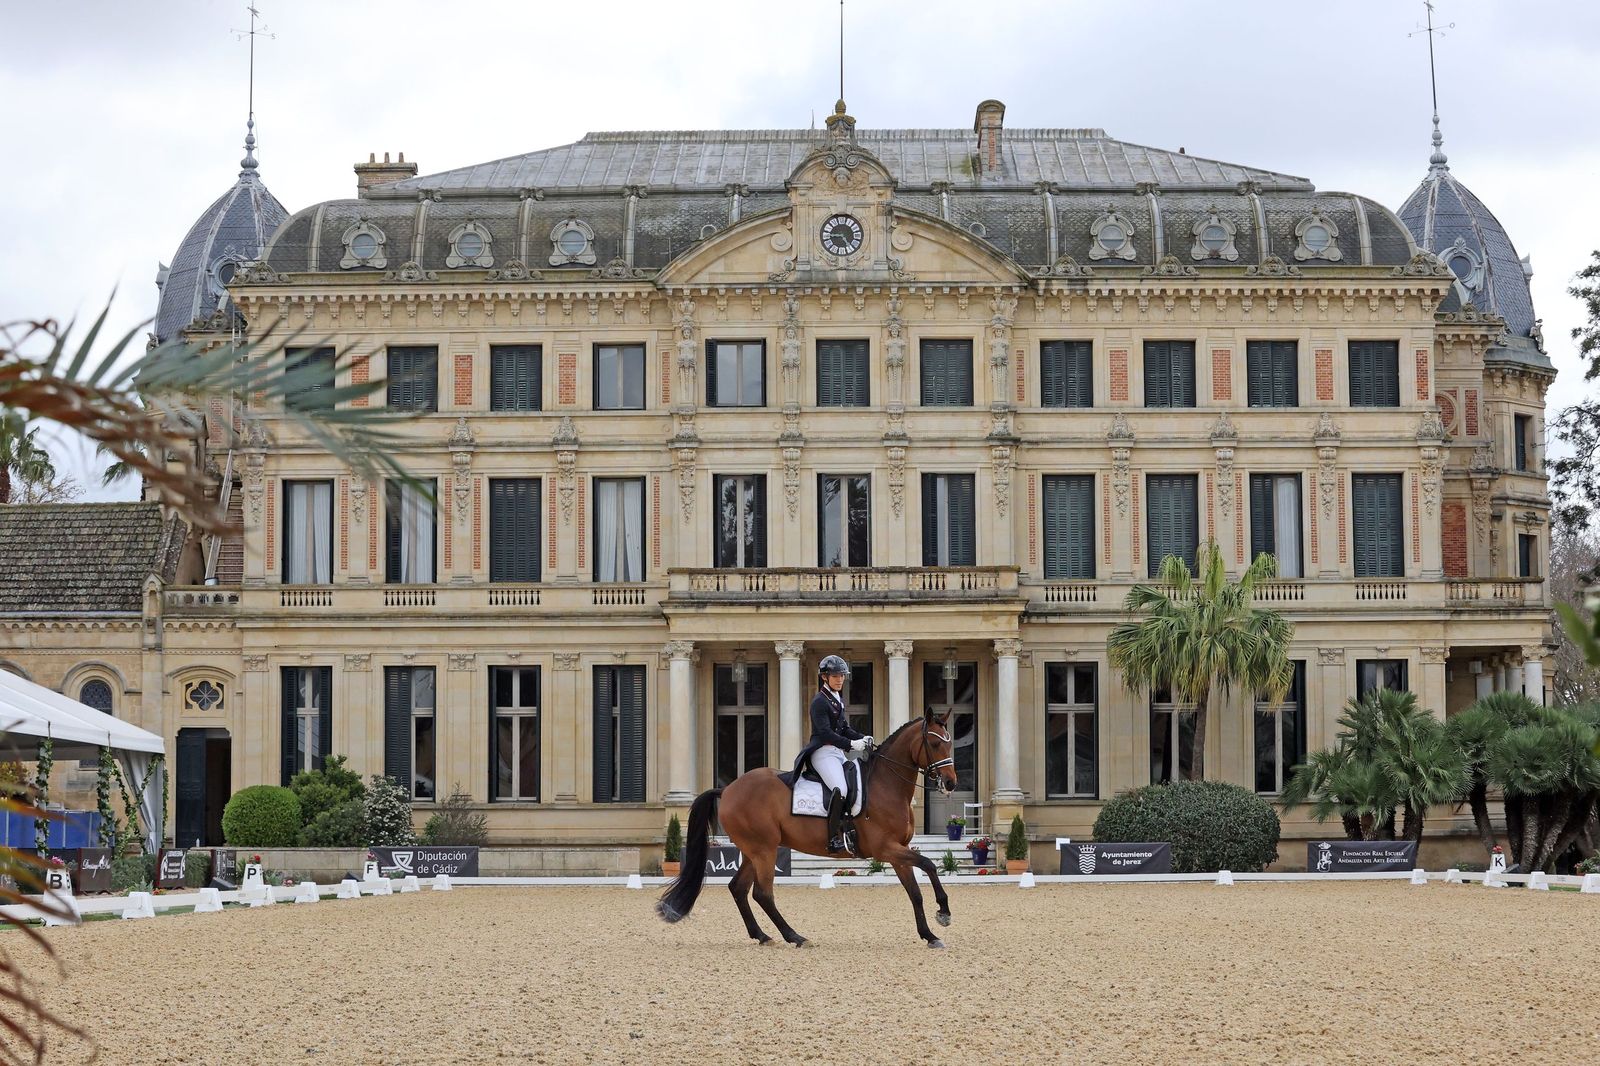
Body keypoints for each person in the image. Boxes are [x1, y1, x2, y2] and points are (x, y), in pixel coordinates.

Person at [799, 655, 873, 854]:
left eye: (842, 675)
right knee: (839, 788)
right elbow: (825, 733)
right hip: (822, 752)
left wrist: (863, 739)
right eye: (835, 676)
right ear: (824, 677)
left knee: (855, 785)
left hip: (837, 752)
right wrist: (852, 744)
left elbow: (844, 728)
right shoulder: (819, 702)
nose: (840, 679)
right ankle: (832, 838)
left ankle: (849, 828)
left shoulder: (837, 699)